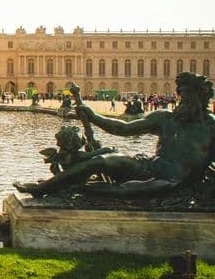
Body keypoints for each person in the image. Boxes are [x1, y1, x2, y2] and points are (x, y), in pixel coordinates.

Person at [14, 72, 215, 198]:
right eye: (181, 97)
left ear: (200, 98)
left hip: (172, 181)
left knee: (121, 191)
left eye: (187, 98)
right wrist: (93, 116)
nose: (182, 102)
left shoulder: (211, 126)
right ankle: (43, 189)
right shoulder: (166, 118)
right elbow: (123, 129)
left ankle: (72, 190)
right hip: (147, 166)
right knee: (100, 160)